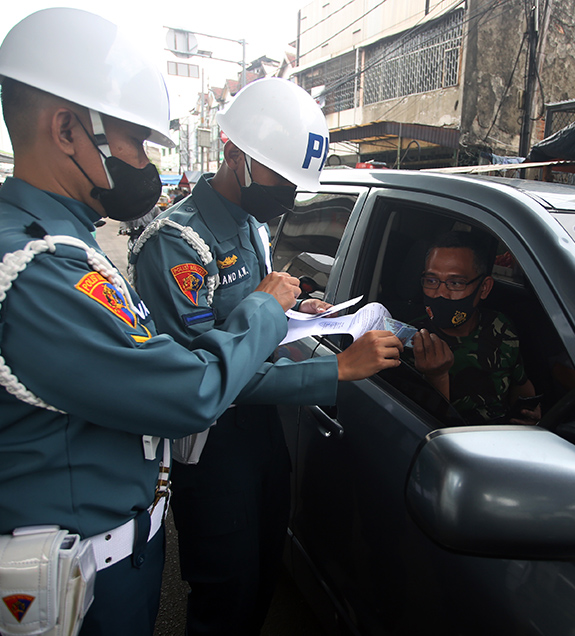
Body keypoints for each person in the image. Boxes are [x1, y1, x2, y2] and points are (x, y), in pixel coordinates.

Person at [0, 9, 399, 636]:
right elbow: (189, 384)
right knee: (226, 595)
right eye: (136, 141)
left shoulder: (66, 245)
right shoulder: (37, 267)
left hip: (109, 549)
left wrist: (287, 314)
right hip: (80, 572)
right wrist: (284, 327)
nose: (144, 162)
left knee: (256, 580)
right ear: (66, 129)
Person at [130, 77, 400, 636]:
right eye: (280, 175)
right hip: (212, 442)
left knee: (260, 576)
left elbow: (255, 325)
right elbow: (207, 376)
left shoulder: (254, 225)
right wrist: (338, 369)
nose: (289, 195)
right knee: (224, 592)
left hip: (264, 434)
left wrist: (301, 309)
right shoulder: (177, 242)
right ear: (233, 153)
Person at [410, 231, 541, 425]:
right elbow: (423, 426)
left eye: (455, 283)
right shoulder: (410, 340)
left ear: (484, 288)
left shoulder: (501, 326)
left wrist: (531, 416)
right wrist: (436, 376)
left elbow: (521, 385)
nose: (441, 293)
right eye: (431, 281)